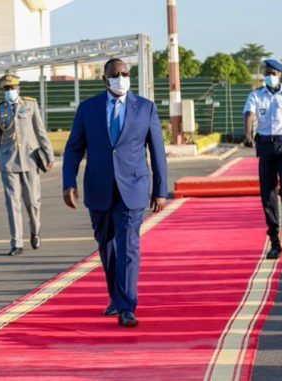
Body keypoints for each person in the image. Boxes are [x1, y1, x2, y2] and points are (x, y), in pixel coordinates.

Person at [62, 58, 168, 327]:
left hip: (132, 188)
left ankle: (127, 306)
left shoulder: (145, 108)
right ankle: (116, 297)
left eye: (124, 73)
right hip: (99, 188)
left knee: (129, 246)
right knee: (107, 246)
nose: (120, 78)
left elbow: (157, 153)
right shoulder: (88, 109)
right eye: (115, 74)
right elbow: (74, 148)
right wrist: (68, 182)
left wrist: (160, 191)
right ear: (105, 79)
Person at [243, 59, 282, 260]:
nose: (269, 76)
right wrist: (247, 135)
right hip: (265, 146)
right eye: (267, 72)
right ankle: (274, 241)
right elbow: (249, 114)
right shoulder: (256, 94)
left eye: (273, 73)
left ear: (280, 75)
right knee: (267, 194)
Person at [0, 74, 55, 256]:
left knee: (33, 202)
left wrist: (49, 155)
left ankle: (35, 230)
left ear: (19, 89)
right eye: (6, 89)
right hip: (8, 163)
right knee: (12, 203)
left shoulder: (30, 105)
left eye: (13, 88)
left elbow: (40, 132)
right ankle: (16, 242)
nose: (10, 91)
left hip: (30, 160)